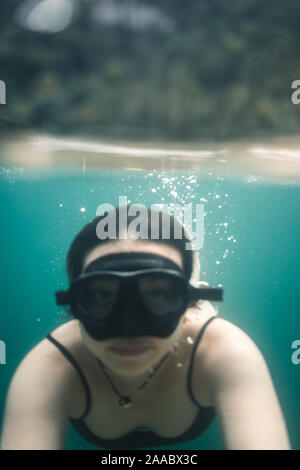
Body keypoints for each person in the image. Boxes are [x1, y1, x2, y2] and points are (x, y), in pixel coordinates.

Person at [1, 207, 291, 450]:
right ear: (76, 304)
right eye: (102, 296)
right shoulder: (52, 366)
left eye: (160, 294)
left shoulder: (224, 349)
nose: (130, 328)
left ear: (184, 301)